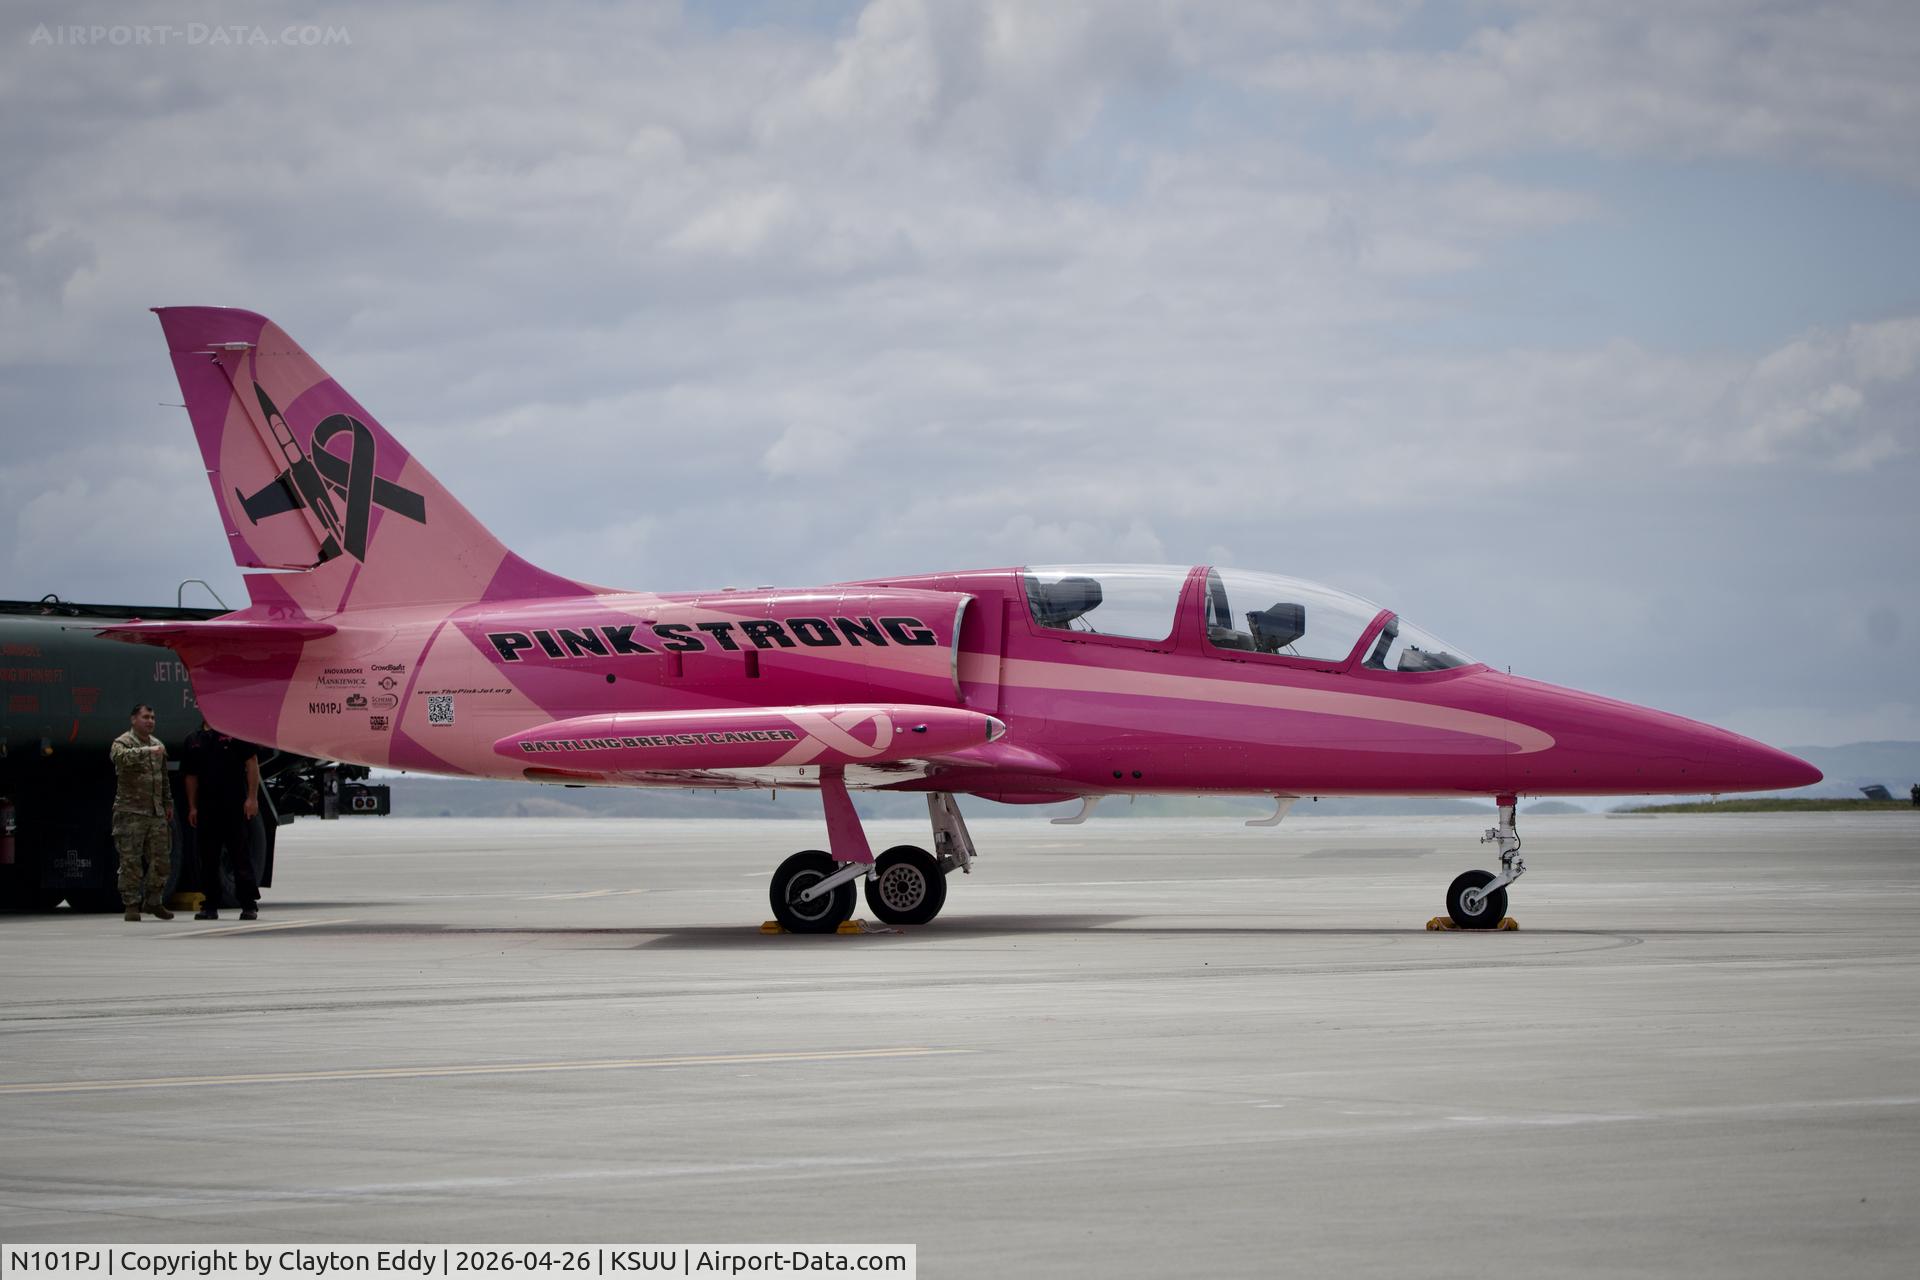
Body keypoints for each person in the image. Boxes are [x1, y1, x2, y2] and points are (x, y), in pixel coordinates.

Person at [182, 720, 262, 921]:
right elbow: (190, 776)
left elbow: (251, 763)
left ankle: (248, 904)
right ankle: (210, 905)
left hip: (234, 806)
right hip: (207, 808)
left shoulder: (235, 733)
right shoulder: (193, 739)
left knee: (240, 855)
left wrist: (252, 798)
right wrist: (192, 806)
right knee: (208, 858)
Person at [109, 704, 175, 921]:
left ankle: (154, 901)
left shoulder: (158, 745)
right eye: (146, 717)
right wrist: (146, 751)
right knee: (131, 861)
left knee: (161, 859)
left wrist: (168, 803)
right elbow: (120, 758)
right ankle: (131, 904)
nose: (150, 721)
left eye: (153, 717)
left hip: (155, 813)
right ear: (133, 720)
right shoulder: (123, 743)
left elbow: (163, 778)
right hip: (131, 813)